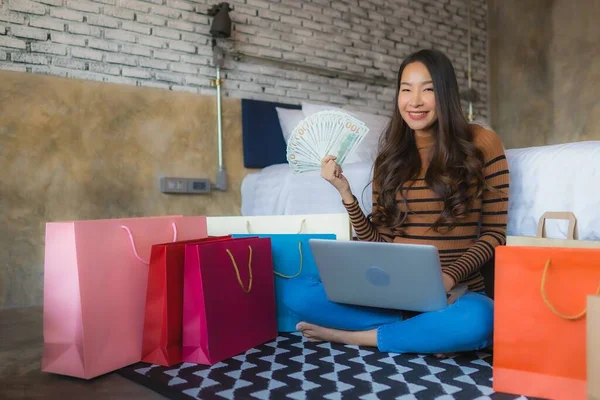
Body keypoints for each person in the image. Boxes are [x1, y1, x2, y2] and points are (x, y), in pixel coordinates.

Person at [282, 49, 510, 355]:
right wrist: (345, 193)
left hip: (456, 295)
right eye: (406, 89)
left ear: (445, 93)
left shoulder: (482, 142)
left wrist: (448, 277)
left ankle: (352, 336)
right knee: (295, 292)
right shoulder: (389, 158)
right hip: (393, 297)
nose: (414, 101)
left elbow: (494, 234)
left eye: (427, 89)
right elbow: (380, 241)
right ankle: (422, 333)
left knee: (482, 318)